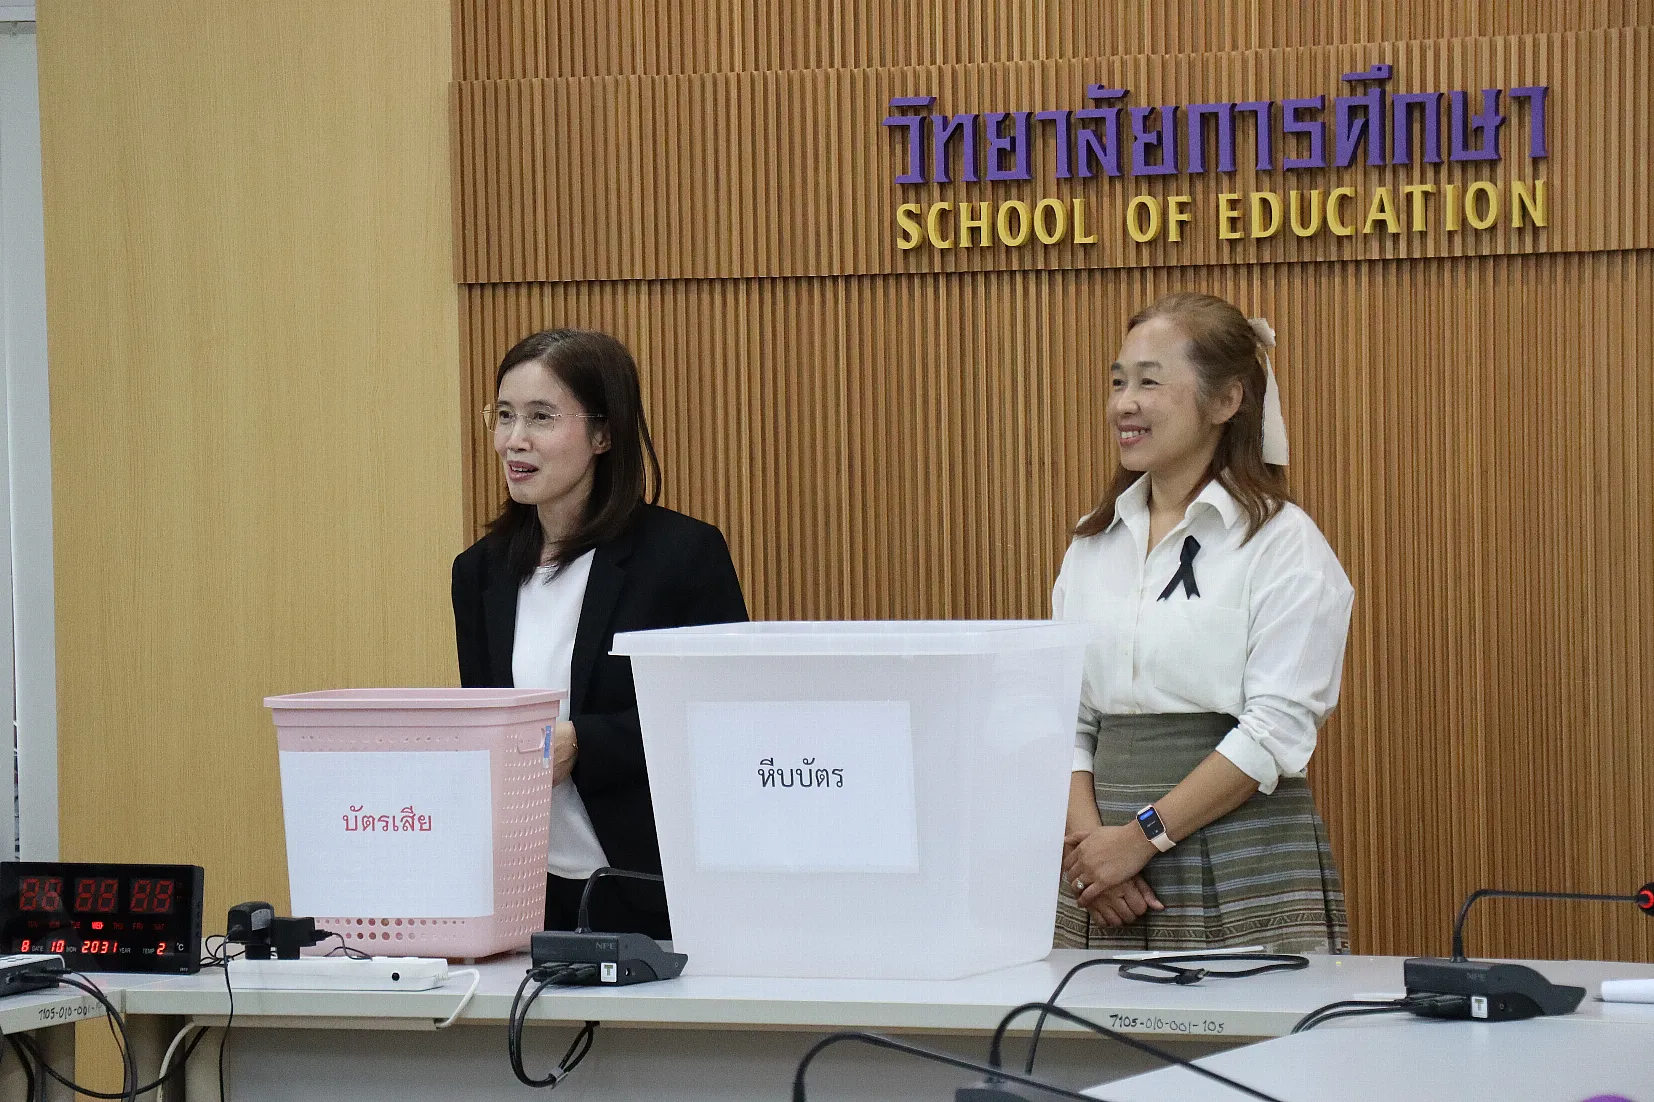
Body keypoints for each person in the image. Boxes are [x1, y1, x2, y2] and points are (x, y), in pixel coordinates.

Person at [1053, 292, 1352, 953]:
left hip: (1234, 855)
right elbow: (1062, 714)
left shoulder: (1282, 543)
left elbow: (1275, 729)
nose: (1124, 404)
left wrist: (1141, 838)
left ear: (1225, 401)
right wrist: (1092, 850)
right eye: (1118, 382)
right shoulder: (1092, 542)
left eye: (1149, 383)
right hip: (1101, 877)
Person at [451, 328, 748, 940]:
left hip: (653, 891)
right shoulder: (479, 572)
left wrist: (584, 742)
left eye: (541, 417)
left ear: (603, 433)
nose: (514, 440)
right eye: (503, 416)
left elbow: (724, 721)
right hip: (529, 894)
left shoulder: (682, 556)